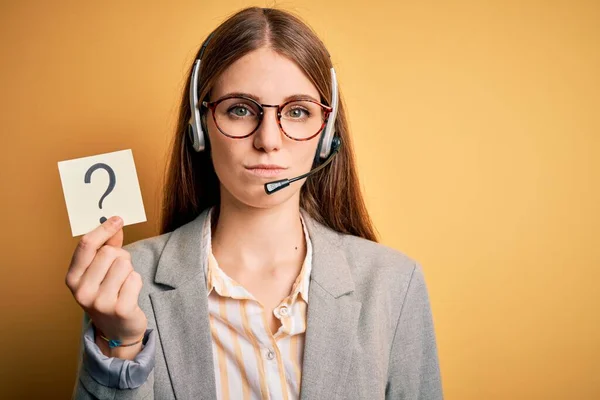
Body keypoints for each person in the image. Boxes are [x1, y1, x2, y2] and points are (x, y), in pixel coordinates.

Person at [65, 6, 443, 400]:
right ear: (200, 126)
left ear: (327, 134)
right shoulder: (127, 281)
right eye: (240, 109)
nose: (268, 140)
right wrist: (122, 345)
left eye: (297, 112)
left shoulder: (395, 284)